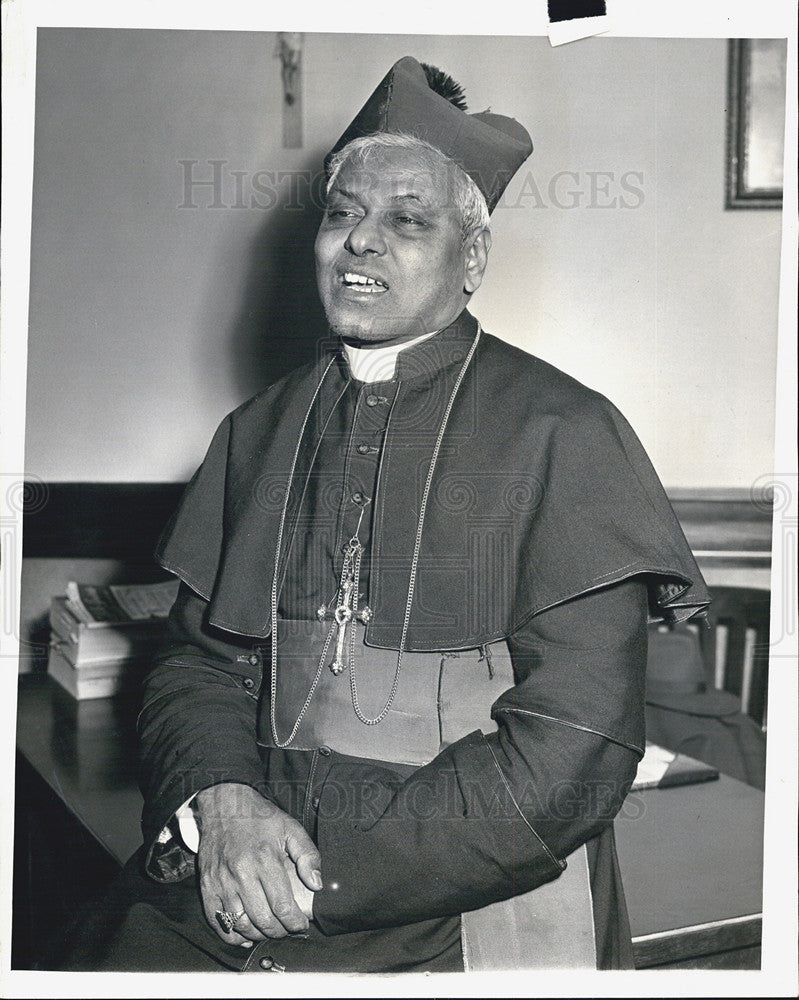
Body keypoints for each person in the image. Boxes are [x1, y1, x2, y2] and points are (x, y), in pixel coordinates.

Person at [54, 56, 709, 974]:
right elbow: (198, 667)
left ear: (471, 257)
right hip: (245, 846)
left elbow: (572, 754)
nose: (361, 241)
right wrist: (225, 807)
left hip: (467, 877)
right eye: (342, 213)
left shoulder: (566, 432)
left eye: (406, 220)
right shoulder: (257, 429)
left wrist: (312, 880)